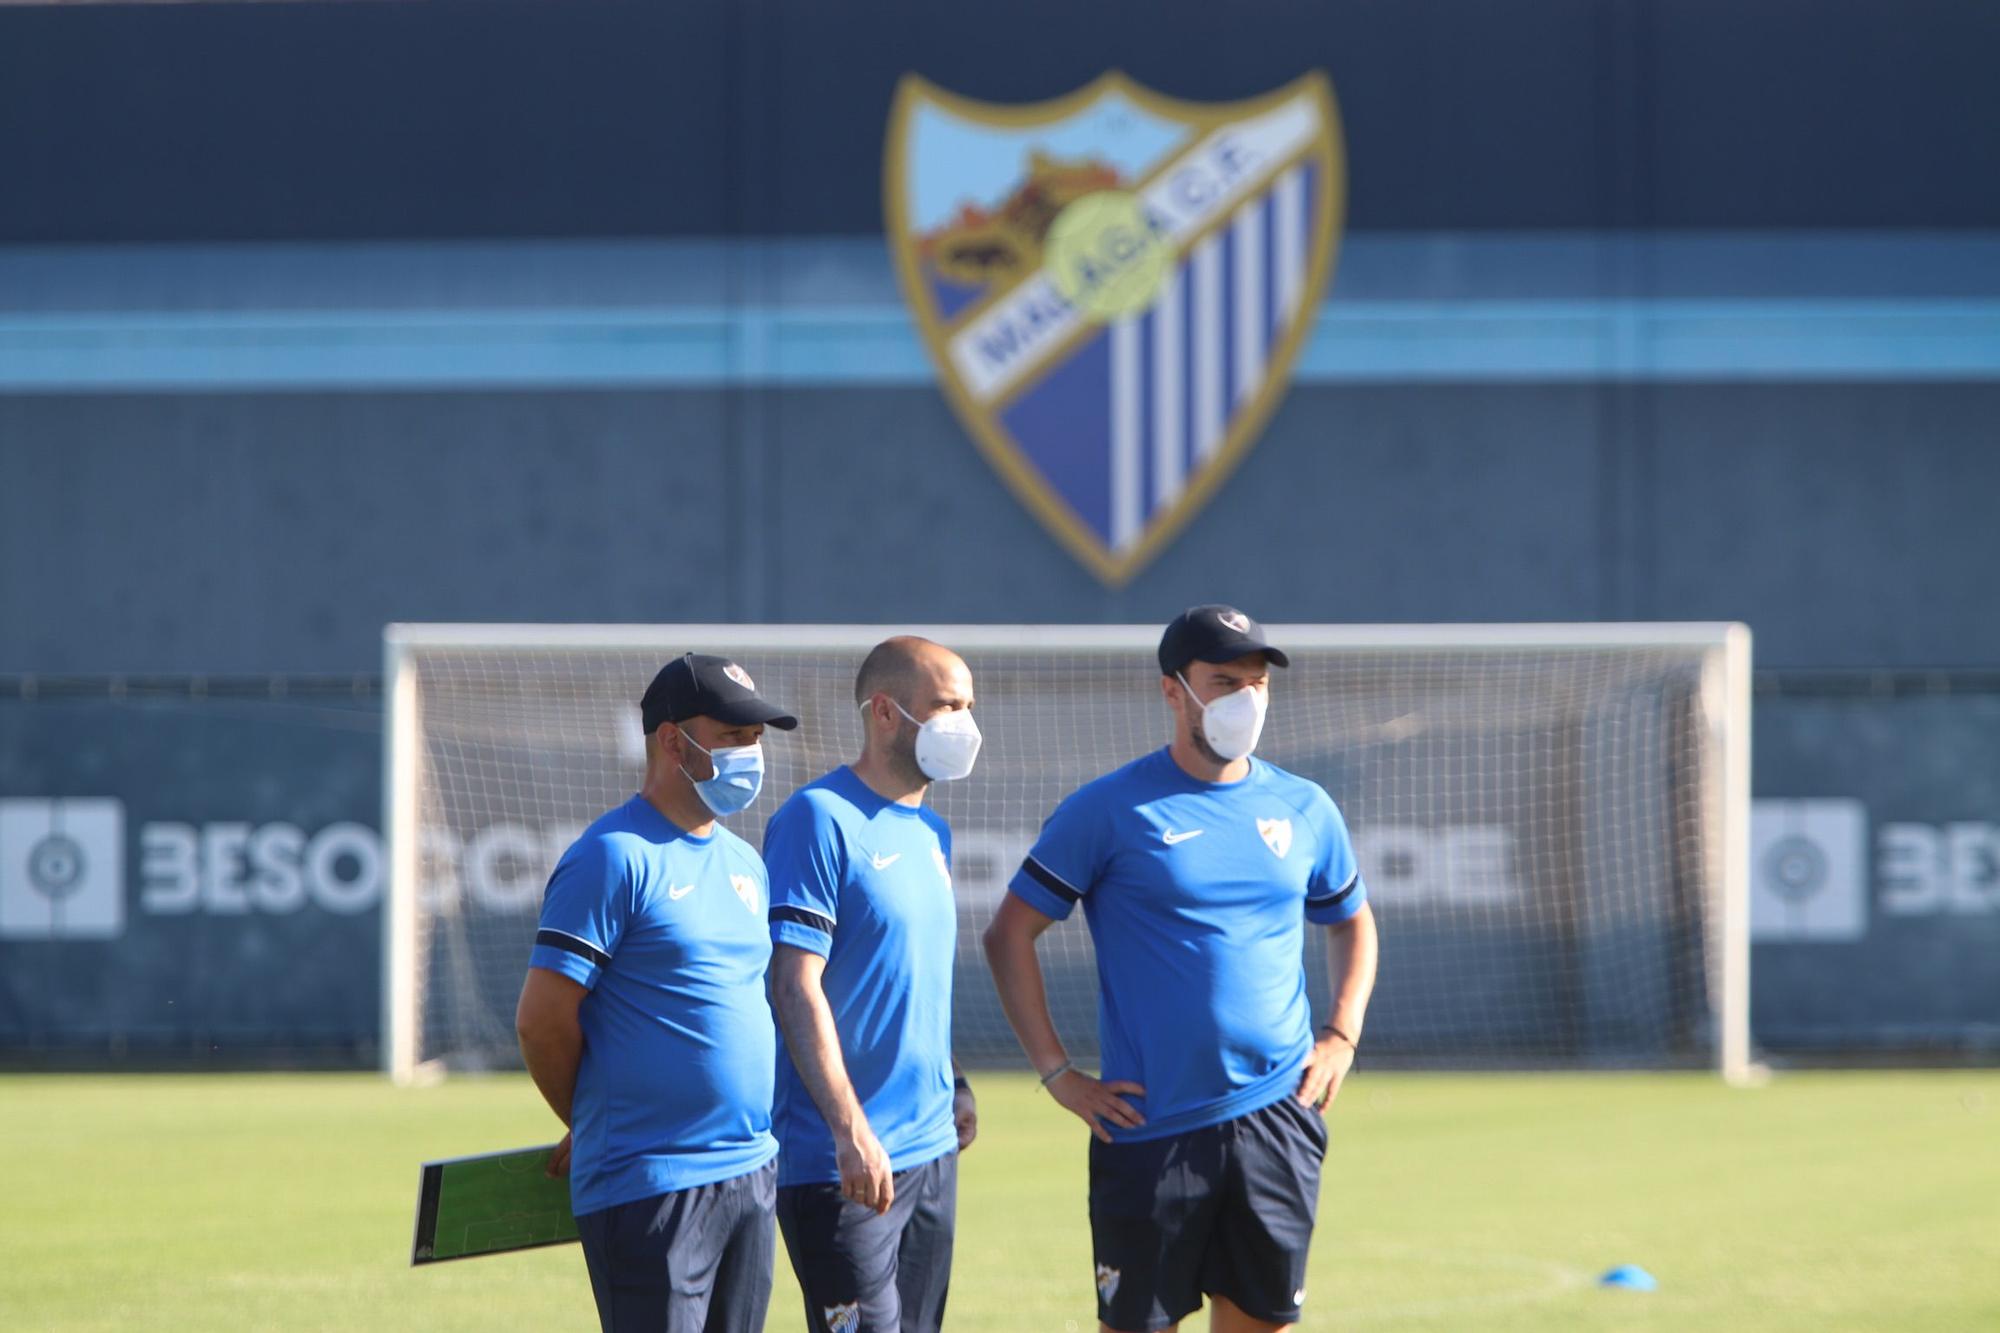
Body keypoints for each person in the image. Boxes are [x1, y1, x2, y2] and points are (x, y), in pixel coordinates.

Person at [983, 605, 1380, 1333]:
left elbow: (1353, 920)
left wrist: (1342, 1034)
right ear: (1174, 691)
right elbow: (1009, 934)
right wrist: (1058, 1074)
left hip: (1278, 1114)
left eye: (1257, 683)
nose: (1245, 699)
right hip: (1150, 1125)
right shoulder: (1107, 809)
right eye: (1224, 681)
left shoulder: (1304, 805)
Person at [515, 653, 799, 1333]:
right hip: (652, 1184)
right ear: (674, 740)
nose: (750, 753)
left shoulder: (745, 863)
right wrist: (592, 1118)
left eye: (756, 738)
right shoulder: (611, 855)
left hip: (752, 1173)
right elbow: (542, 1021)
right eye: (733, 735)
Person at [762, 636, 983, 1333]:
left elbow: (903, 973)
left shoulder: (932, 832)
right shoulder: (816, 818)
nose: (964, 723)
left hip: (930, 1153)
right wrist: (850, 1128)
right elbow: (794, 984)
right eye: (947, 705)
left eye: (969, 706)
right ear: (885, 711)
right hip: (846, 1162)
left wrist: (954, 1080)